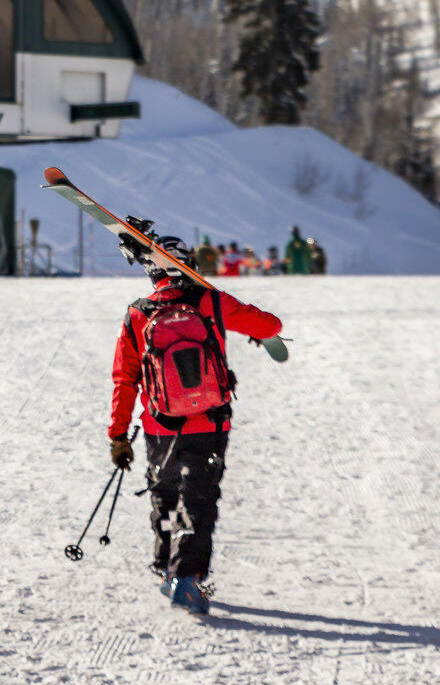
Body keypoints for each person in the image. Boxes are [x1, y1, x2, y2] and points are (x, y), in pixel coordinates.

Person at [108, 231, 283, 615]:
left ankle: (164, 567)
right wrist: (249, 326)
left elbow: (125, 378)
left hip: (159, 425)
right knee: (199, 500)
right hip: (209, 423)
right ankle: (185, 578)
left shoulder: (138, 312)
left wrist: (118, 436)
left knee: (165, 494)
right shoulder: (212, 302)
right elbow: (270, 326)